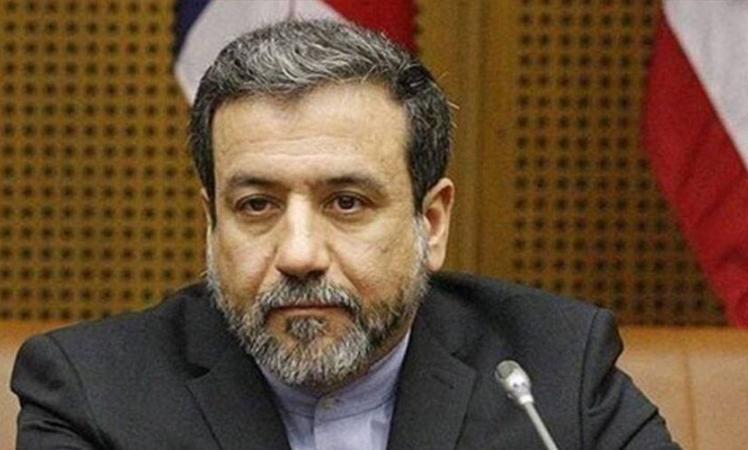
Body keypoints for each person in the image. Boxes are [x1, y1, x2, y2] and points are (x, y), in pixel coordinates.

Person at [12, 20, 679, 449]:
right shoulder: (93, 394)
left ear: (431, 222)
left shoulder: (552, 374)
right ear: (212, 224)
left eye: (347, 203)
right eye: (256, 206)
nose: (299, 254)